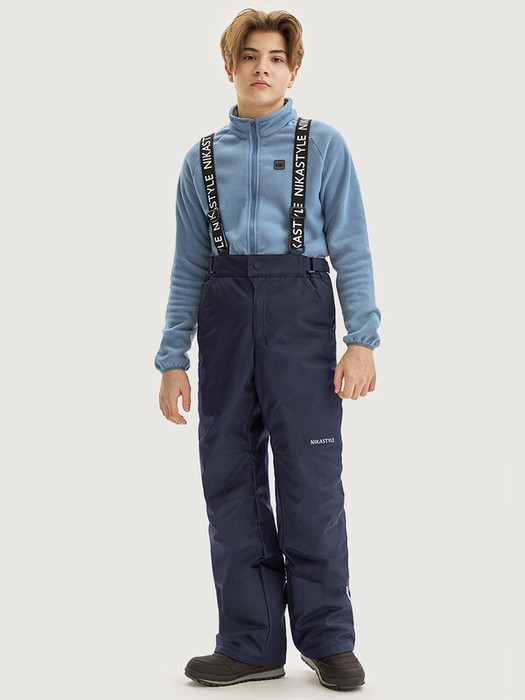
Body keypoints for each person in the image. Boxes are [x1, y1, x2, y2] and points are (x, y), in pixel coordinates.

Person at [154, 8, 381, 691]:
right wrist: (172, 358)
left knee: (311, 481)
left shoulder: (324, 145)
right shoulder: (201, 159)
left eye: (276, 58)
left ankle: (328, 639)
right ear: (229, 67)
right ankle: (250, 643)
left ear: (293, 69)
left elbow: (351, 247)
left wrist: (361, 340)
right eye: (249, 56)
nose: (262, 68)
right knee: (230, 480)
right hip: (224, 322)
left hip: (300, 320)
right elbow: (188, 265)